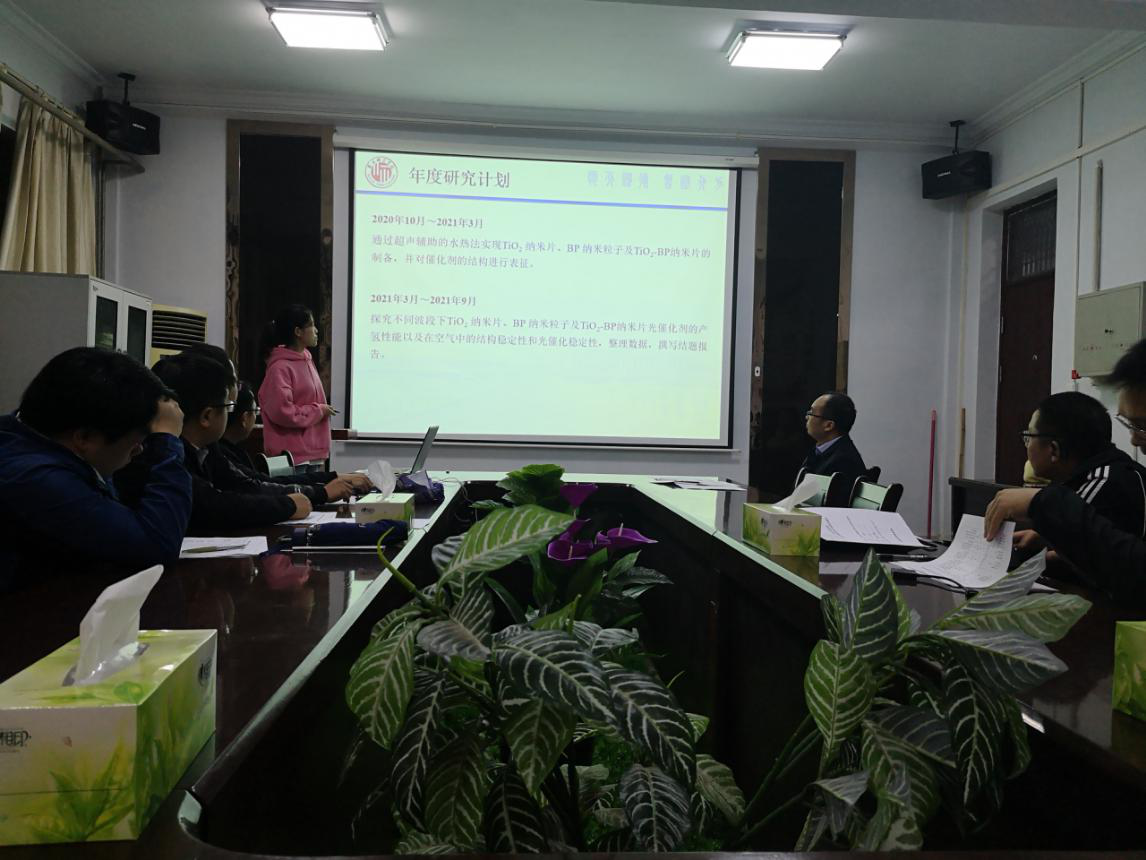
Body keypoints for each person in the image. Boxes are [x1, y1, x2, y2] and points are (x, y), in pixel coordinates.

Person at [0, 347, 191, 589]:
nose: (139, 451)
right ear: (85, 438)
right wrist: (168, 443)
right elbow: (157, 546)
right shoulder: (31, 477)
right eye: (136, 441)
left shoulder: (31, 438)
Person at [985, 339, 1146, 606]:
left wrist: (1042, 503)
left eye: (1142, 425)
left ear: (1054, 449)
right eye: (1130, 424)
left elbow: (1130, 572)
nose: (1134, 440)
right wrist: (1051, 542)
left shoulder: (1108, 480)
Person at [116, 352, 318, 531]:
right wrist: (288, 505)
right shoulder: (160, 451)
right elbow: (213, 505)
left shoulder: (205, 448)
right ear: (207, 416)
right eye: (229, 406)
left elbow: (241, 486)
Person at [219, 381, 370, 494]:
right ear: (245, 418)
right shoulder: (220, 456)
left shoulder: (232, 452)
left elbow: (268, 483)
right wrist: (323, 491)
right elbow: (260, 488)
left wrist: (334, 477)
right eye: (256, 411)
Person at [259, 304, 335, 471]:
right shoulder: (280, 368)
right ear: (298, 332)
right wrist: (318, 411)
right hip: (291, 458)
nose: (316, 330)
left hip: (312, 455)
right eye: (311, 325)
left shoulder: (306, 359)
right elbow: (282, 412)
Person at [799, 391, 867, 490]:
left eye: (811, 413)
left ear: (829, 425)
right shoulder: (820, 450)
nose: (806, 417)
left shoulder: (844, 461)